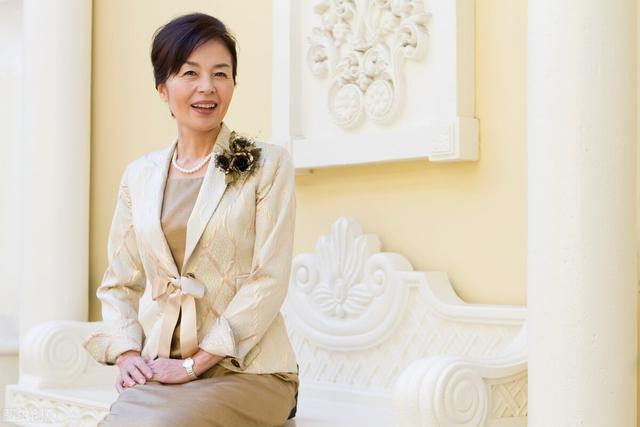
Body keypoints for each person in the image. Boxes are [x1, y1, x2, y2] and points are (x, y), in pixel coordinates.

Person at [82, 12, 299, 426]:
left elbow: (269, 278)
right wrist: (127, 353)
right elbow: (119, 284)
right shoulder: (139, 176)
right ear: (163, 87)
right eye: (190, 73)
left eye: (221, 73)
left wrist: (193, 365)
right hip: (163, 368)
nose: (207, 87)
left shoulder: (268, 164)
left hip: (250, 371)